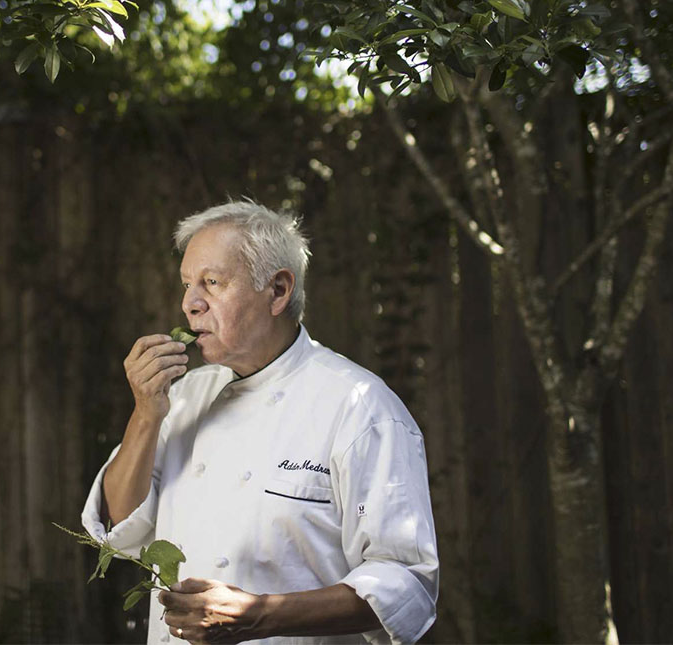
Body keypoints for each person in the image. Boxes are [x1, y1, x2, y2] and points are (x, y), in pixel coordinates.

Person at [81, 200, 438, 644]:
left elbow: (406, 583)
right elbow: (120, 529)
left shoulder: (360, 407)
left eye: (211, 283)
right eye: (188, 284)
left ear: (278, 291)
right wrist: (145, 413)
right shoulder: (185, 395)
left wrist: (260, 615)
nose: (190, 304)